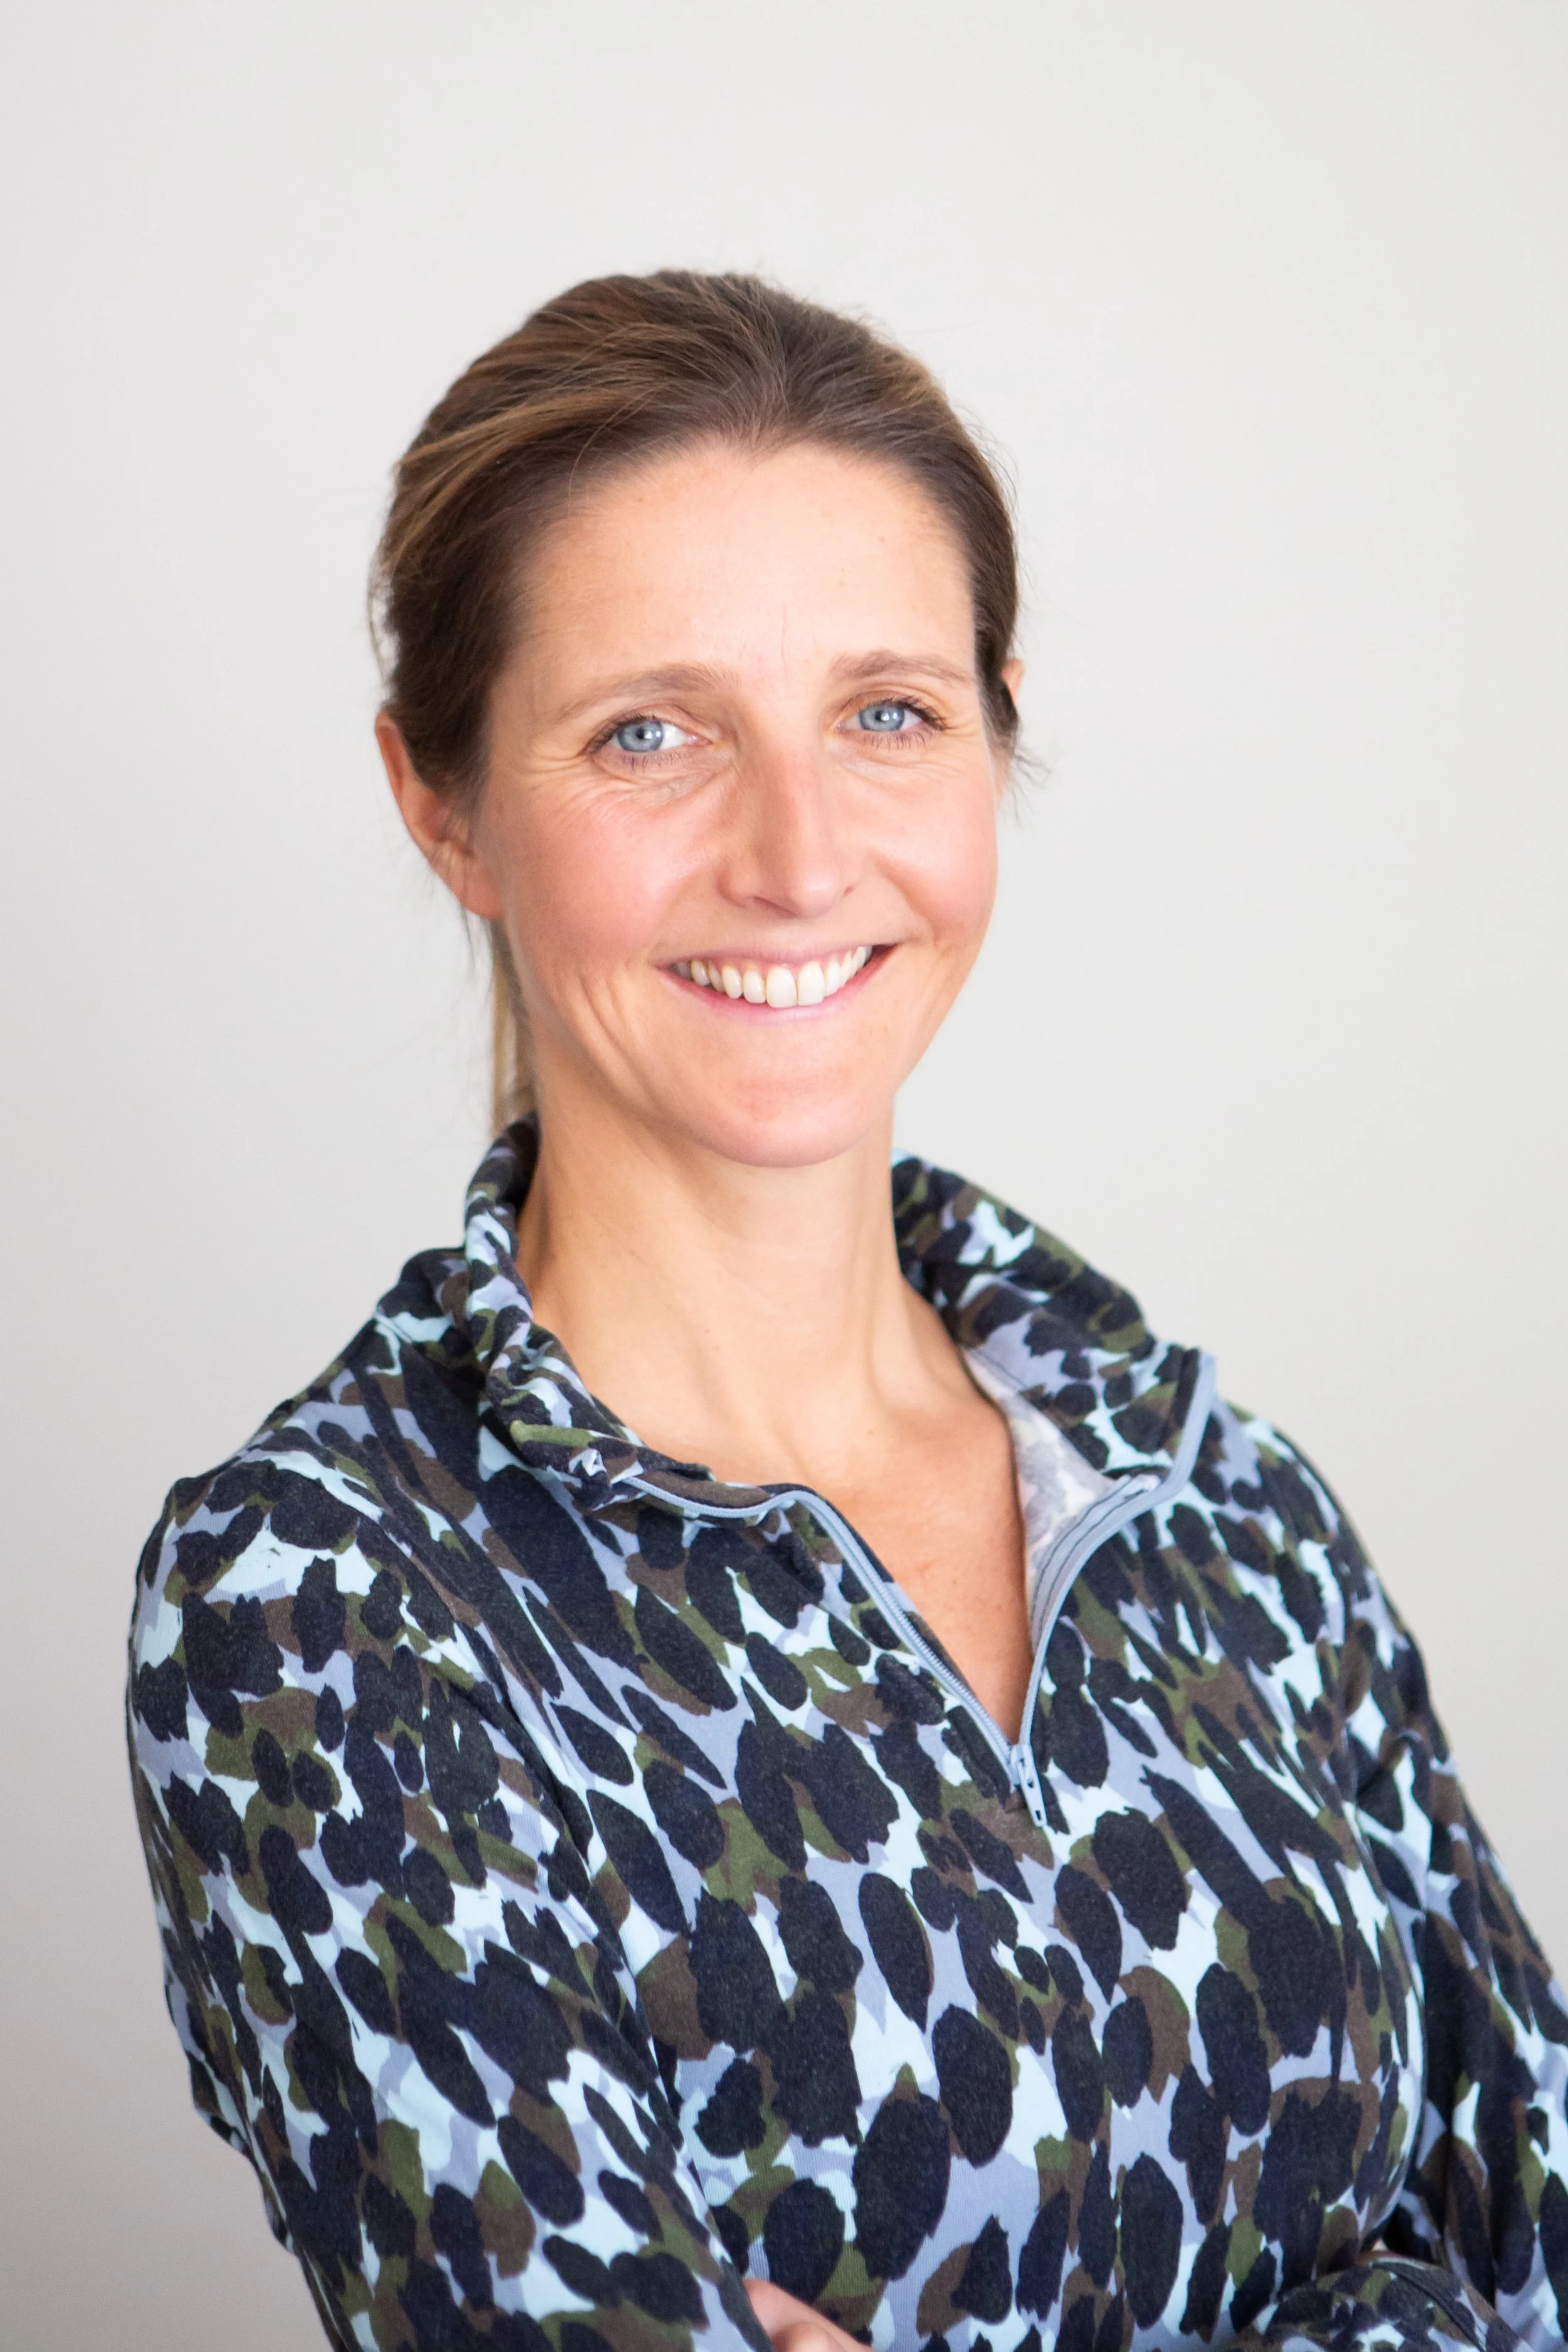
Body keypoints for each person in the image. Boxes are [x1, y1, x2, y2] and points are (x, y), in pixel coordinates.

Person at [127, 271, 1568, 2352]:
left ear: (992, 731)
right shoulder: (325, 1599)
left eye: (885, 712)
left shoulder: (1201, 1485)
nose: (797, 858)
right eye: (650, 732)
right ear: (438, 803)